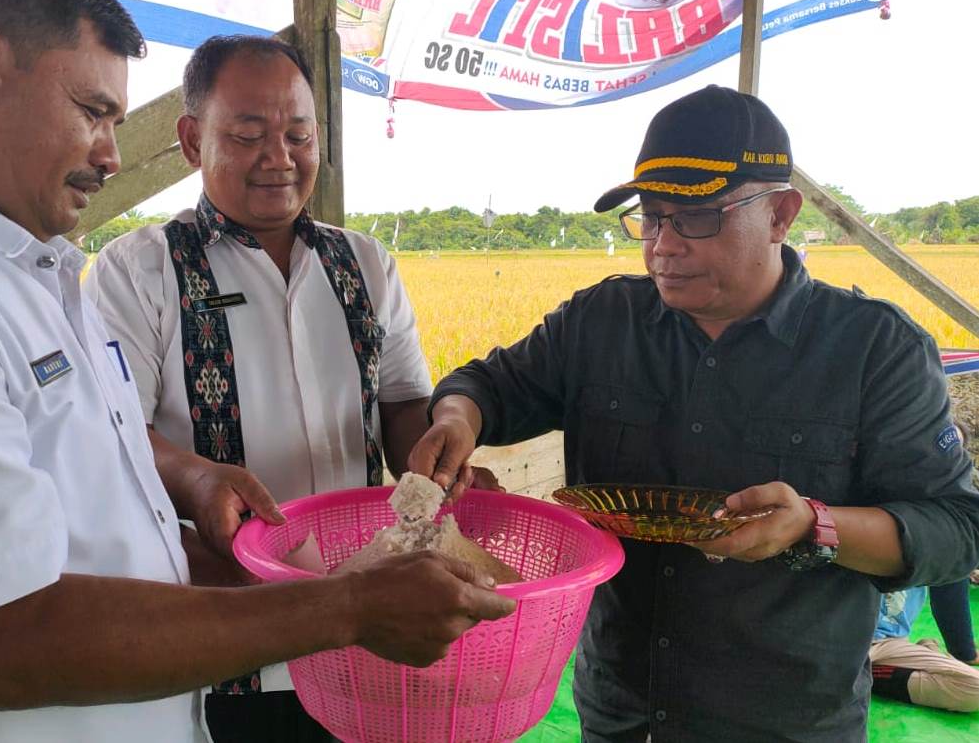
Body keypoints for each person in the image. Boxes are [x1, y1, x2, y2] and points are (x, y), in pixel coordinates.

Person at [0, 0, 515, 743]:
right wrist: (343, 603)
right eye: (93, 111)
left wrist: (399, 497)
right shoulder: (72, 274)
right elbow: (5, 639)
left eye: (299, 134)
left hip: (217, 654)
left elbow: (119, 488)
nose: (110, 156)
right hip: (218, 655)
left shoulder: (42, 270)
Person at [408, 84, 979, 742]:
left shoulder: (871, 347)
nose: (663, 247)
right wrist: (456, 419)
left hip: (784, 721)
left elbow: (955, 527)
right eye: (651, 217)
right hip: (622, 709)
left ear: (779, 214)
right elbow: (484, 386)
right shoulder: (601, 322)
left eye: (697, 217)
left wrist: (812, 525)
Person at [83, 33, 480, 742]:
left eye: (299, 134)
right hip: (224, 627)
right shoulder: (138, 270)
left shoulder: (364, 264)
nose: (280, 158)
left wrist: (435, 456)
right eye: (247, 135)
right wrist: (197, 478)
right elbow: (111, 433)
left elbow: (399, 404)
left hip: (366, 620)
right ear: (189, 139)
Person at [871, 580, 979, 712]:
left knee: (973, 688)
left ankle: (870, 672)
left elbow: (949, 588)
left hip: (890, 642)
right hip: (845, 642)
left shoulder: (938, 560)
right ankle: (865, 672)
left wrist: (964, 651)